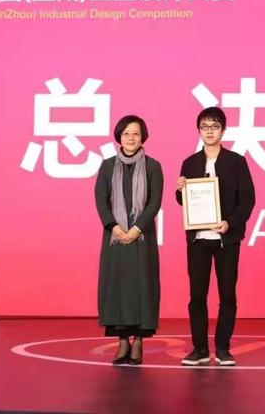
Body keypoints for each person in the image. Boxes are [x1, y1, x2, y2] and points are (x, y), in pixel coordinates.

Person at [175, 107, 255, 366]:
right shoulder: (190, 163)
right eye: (204, 127)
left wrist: (230, 223)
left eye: (214, 126)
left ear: (223, 130)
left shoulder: (236, 161)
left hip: (226, 239)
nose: (209, 131)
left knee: (227, 295)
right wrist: (180, 190)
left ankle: (222, 348)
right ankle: (199, 348)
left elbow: (247, 200)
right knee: (197, 296)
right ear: (198, 131)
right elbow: (184, 201)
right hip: (198, 239)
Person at [94, 115, 164, 366]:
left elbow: (154, 202)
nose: (131, 138)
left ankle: (139, 341)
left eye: (135, 133)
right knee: (117, 288)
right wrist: (114, 227)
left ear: (143, 136)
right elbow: (101, 199)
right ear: (119, 136)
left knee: (142, 288)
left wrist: (136, 228)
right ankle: (122, 340)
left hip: (142, 237)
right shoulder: (107, 166)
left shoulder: (153, 166)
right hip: (114, 238)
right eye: (126, 134)